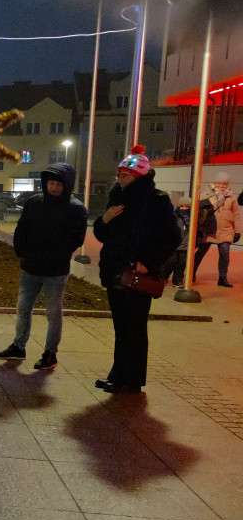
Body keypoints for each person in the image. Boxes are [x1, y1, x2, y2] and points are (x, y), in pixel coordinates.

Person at [94, 148, 180, 393]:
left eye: (127, 175)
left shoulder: (155, 200)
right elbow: (101, 234)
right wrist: (106, 218)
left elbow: (172, 237)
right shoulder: (116, 197)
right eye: (119, 174)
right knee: (121, 328)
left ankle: (131, 380)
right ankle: (118, 374)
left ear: (139, 176)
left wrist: (150, 262)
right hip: (115, 270)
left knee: (134, 329)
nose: (121, 179)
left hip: (138, 273)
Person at [0, 163, 87, 370]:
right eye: (51, 183)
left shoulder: (75, 209)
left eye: (58, 184)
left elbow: (75, 240)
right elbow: (22, 228)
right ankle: (19, 347)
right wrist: (22, 252)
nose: (53, 188)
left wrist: (51, 255)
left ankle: (50, 353)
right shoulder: (35, 202)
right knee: (23, 308)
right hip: (31, 268)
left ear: (66, 186)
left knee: (53, 313)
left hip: (55, 271)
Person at [193, 171, 242, 287]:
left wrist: (238, 231)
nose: (222, 186)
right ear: (215, 182)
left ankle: (222, 278)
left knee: (225, 254)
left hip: (226, 230)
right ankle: (192, 272)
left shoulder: (231, 196)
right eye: (220, 183)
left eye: (225, 184)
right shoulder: (207, 194)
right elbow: (199, 210)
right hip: (209, 230)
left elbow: (236, 214)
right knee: (200, 253)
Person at [163, 197, 192, 287]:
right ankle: (164, 277)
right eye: (182, 206)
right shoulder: (173, 216)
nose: (184, 209)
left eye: (186, 207)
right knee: (171, 261)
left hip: (186, 244)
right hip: (174, 244)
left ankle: (178, 280)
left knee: (181, 264)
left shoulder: (192, 218)